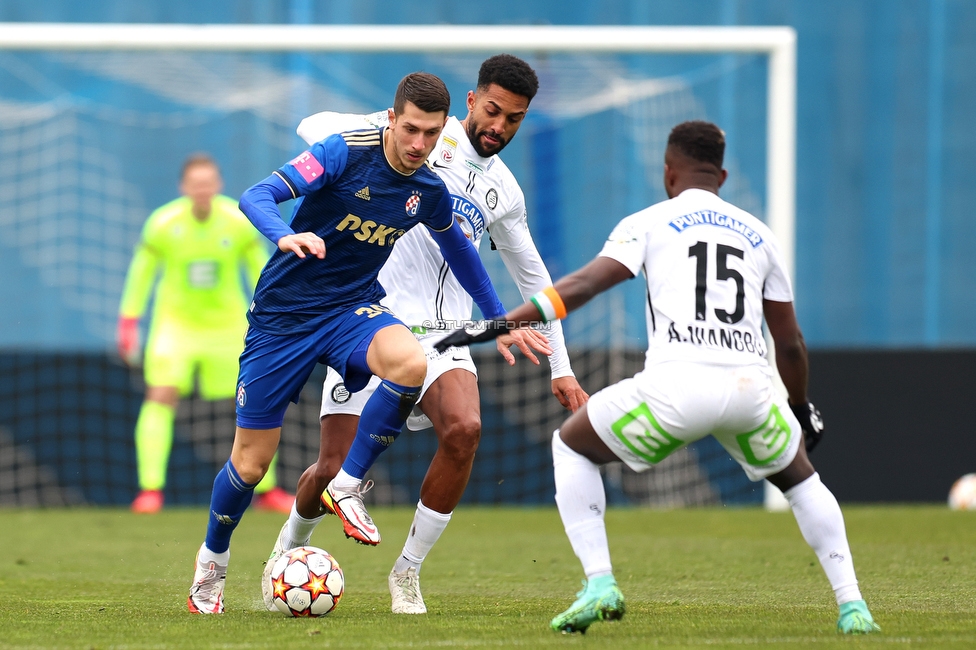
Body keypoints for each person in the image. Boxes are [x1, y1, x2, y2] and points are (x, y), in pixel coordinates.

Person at [434, 121, 881, 635]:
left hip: (678, 387)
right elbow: (791, 343)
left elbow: (582, 286)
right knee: (802, 481)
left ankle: (600, 582)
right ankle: (853, 607)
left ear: (668, 172)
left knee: (572, 445)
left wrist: (503, 323)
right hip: (750, 391)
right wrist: (800, 408)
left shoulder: (650, 221)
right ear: (723, 174)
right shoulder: (760, 235)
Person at [186, 72, 546, 614]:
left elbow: (461, 252)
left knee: (409, 361)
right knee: (252, 464)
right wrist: (283, 234)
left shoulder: (426, 188)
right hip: (283, 319)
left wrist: (498, 318)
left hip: (350, 308)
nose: (419, 145)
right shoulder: (341, 153)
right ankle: (211, 565)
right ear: (391, 119)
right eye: (410, 130)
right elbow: (257, 195)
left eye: (430, 134)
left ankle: (348, 484)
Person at [262, 54, 589, 616]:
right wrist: (375, 136)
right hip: (369, 322)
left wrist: (560, 365)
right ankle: (288, 550)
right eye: (492, 111)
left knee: (464, 429)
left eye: (514, 119)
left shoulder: (505, 192)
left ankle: (407, 573)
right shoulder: (416, 137)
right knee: (331, 469)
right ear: (470, 100)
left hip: (447, 334)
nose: (499, 128)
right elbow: (312, 126)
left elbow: (533, 276)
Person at [117, 154, 294, 515]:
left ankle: (267, 490)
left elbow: (260, 269)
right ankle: (150, 490)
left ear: (218, 185)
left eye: (208, 182)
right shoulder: (163, 223)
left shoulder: (237, 221)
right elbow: (142, 272)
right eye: (195, 184)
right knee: (160, 395)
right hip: (175, 326)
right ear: (184, 188)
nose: (202, 190)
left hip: (228, 327)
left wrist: (279, 313)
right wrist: (128, 321)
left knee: (254, 400)